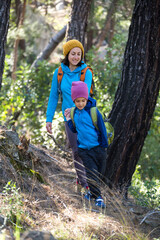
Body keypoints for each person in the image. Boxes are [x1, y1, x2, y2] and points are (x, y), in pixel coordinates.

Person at [46, 39, 93, 191]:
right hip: (68, 118)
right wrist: (49, 119)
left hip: (84, 117)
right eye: (73, 54)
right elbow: (54, 96)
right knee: (76, 150)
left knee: (86, 149)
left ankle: (87, 182)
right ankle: (83, 182)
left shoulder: (86, 72)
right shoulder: (59, 72)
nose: (76, 57)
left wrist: (74, 110)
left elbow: (83, 96)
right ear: (67, 54)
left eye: (79, 54)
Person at [64, 81, 108, 208]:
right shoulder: (73, 113)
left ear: (86, 98)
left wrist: (104, 146)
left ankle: (91, 192)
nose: (81, 103)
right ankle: (98, 197)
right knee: (91, 173)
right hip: (84, 150)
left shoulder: (93, 112)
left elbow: (102, 129)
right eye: (77, 101)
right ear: (74, 101)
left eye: (83, 100)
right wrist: (68, 120)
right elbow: (74, 130)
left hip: (98, 148)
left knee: (99, 173)